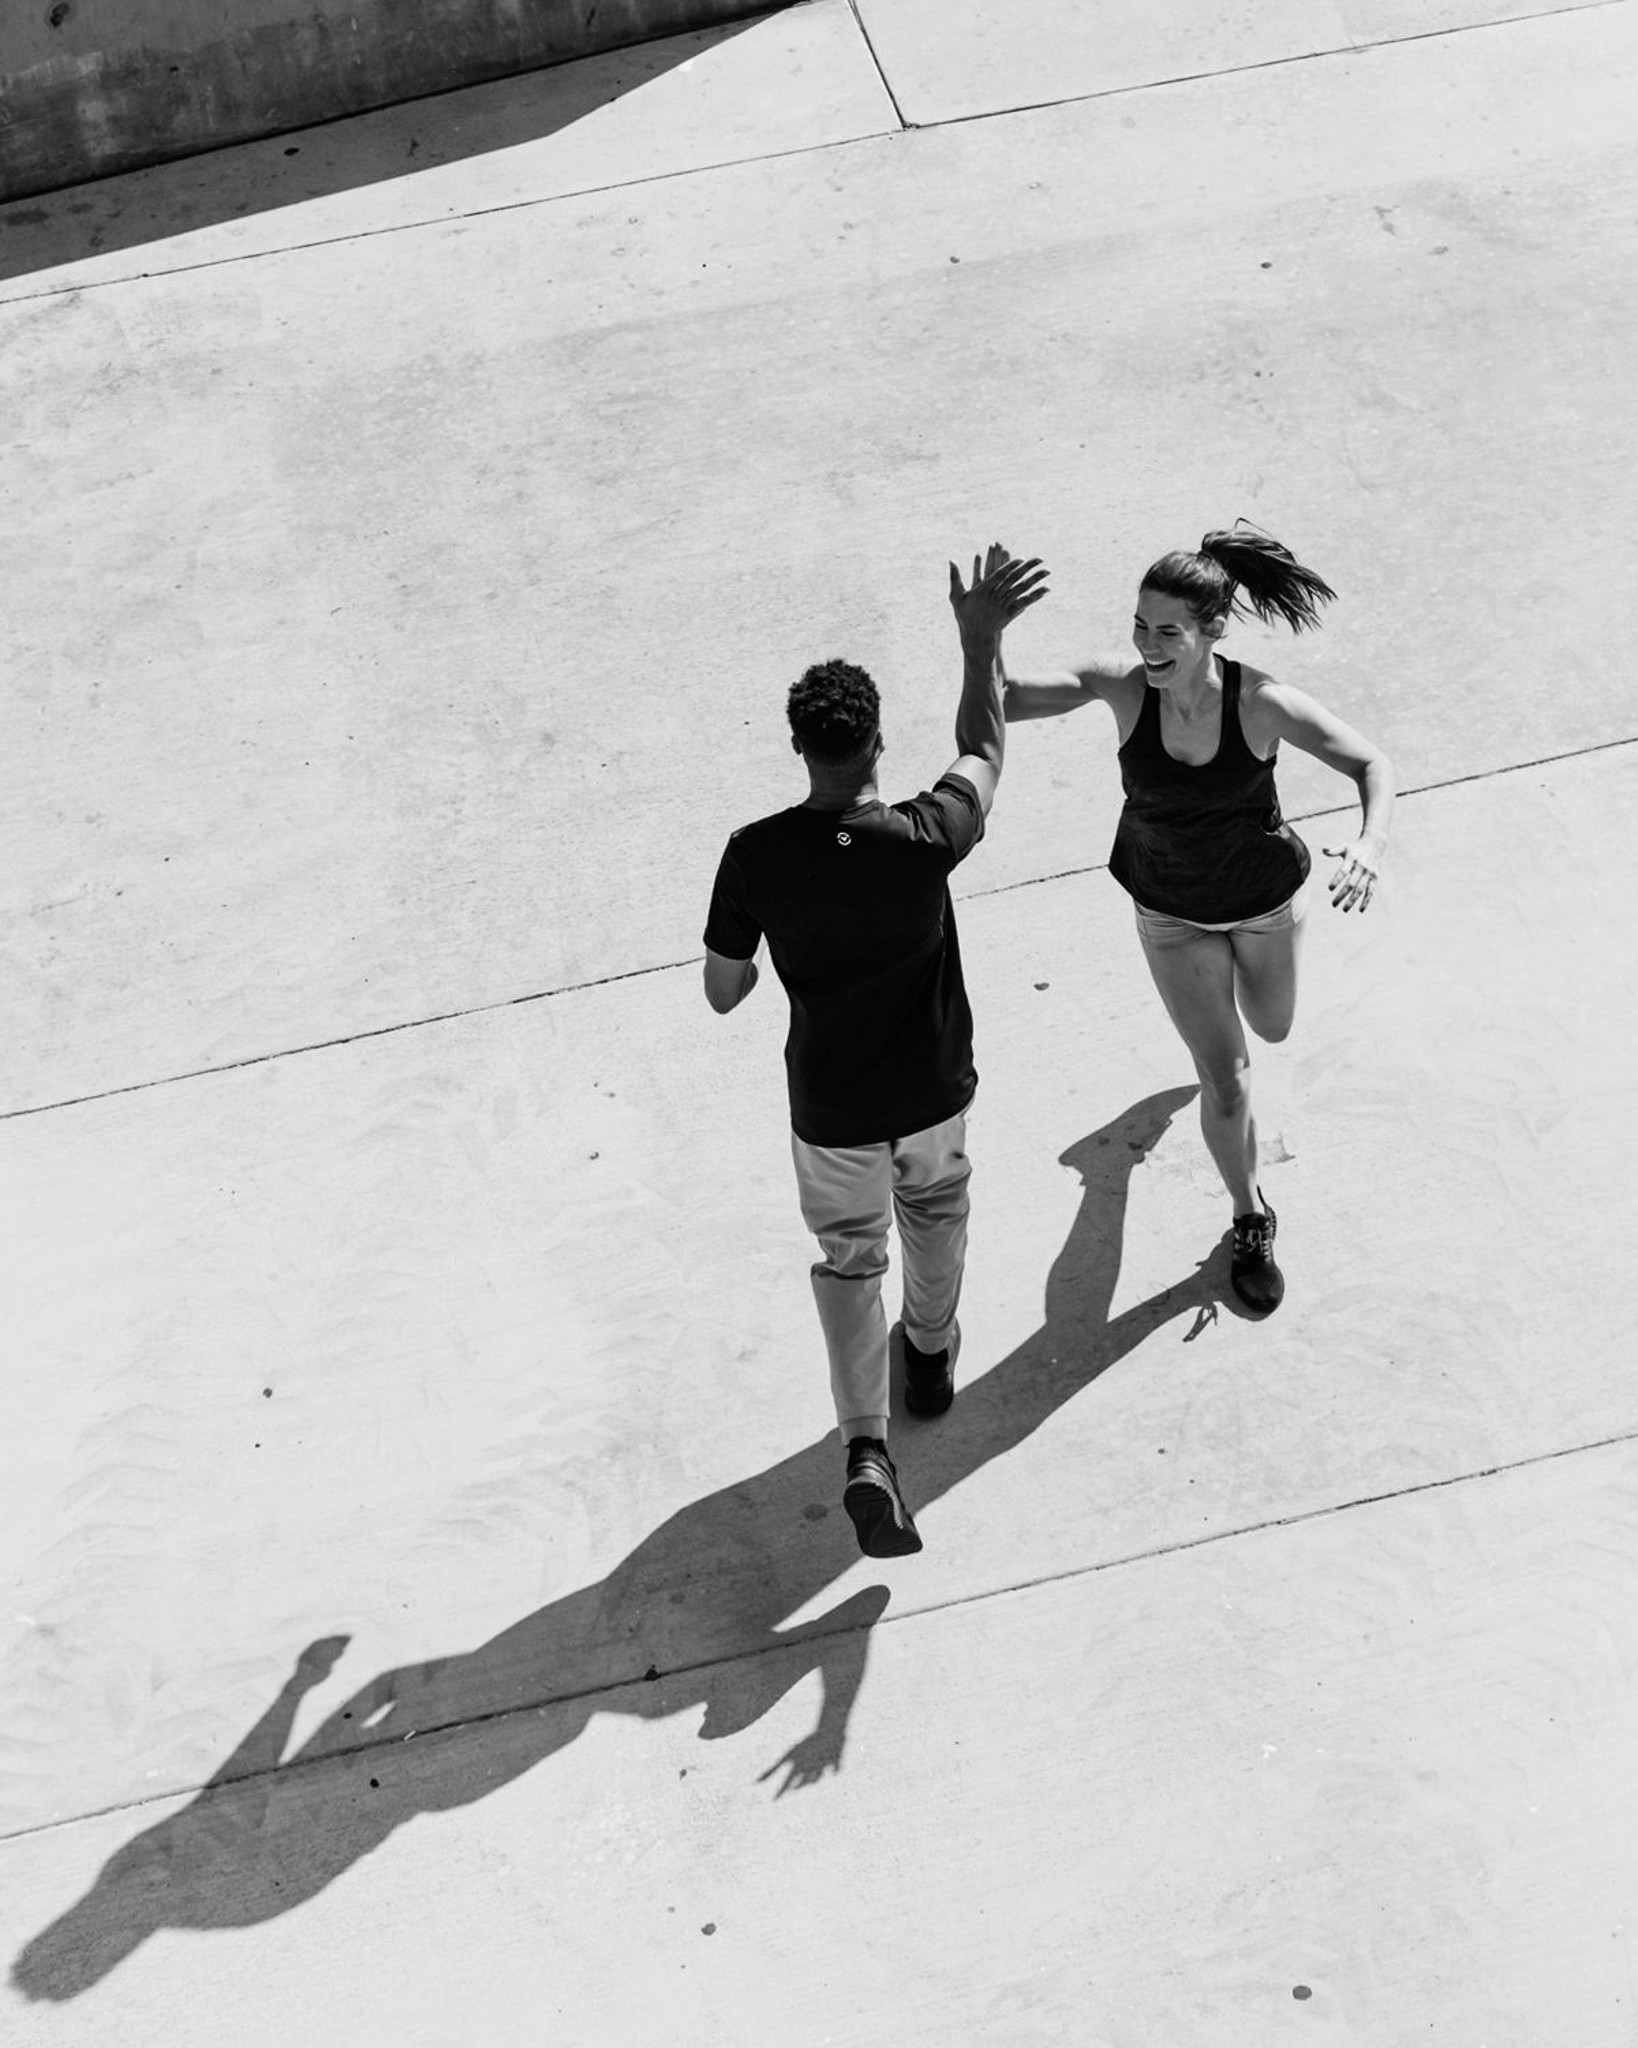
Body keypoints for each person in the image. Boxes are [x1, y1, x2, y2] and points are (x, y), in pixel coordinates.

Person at [702, 544, 1049, 1557]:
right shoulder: (925, 834)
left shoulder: (755, 855)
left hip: (831, 1110)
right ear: (877, 744)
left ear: (799, 747)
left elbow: (724, 990)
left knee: (851, 1262)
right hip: (930, 1092)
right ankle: (932, 1354)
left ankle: (866, 1447)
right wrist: (979, 637)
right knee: (936, 1214)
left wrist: (770, 959)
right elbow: (984, 746)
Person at [1001, 526, 1394, 1313]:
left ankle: (1115, 1158)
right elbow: (1002, 705)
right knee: (1228, 1079)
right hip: (1170, 910)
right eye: (1140, 626)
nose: (1147, 645)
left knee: (1273, 1028)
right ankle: (1251, 1216)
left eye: (1168, 631)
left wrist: (1369, 844)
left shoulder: (1261, 702)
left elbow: (1370, 763)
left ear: (1213, 630)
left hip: (1261, 904)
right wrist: (982, 638)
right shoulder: (1121, 687)